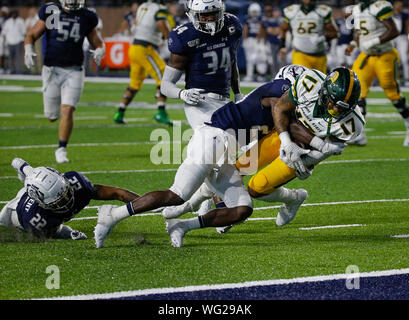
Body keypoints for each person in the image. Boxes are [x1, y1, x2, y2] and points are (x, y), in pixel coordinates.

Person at [94, 0, 249, 249]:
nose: (209, 20)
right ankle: (115, 215)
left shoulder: (231, 26)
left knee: (230, 163)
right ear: (193, 15)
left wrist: (238, 93)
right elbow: (166, 85)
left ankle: (200, 205)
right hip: (198, 103)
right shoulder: (184, 38)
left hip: (223, 102)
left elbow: (231, 63)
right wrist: (181, 94)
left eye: (212, 15)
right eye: (204, 16)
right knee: (188, 184)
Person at [162, 65, 364, 236]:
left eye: (342, 107)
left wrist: (310, 161)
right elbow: (281, 110)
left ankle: (293, 198)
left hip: (305, 149)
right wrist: (285, 141)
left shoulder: (352, 124)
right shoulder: (306, 84)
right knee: (233, 170)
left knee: (257, 188)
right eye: (332, 102)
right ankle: (190, 206)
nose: (335, 110)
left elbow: (329, 149)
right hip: (281, 133)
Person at [24, 0, 105, 164]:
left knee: (68, 110)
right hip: (52, 70)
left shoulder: (86, 16)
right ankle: (56, 122)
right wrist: (28, 49)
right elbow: (32, 35)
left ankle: (61, 149)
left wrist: (100, 49)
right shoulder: (51, 10)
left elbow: (96, 41)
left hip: (74, 70)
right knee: (52, 116)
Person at [0, 158, 139, 240]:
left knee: (25, 170)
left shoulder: (76, 183)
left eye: (66, 192)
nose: (67, 199)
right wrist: (67, 233)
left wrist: (146, 203)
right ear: (45, 205)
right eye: (60, 200)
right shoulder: (36, 218)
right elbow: (55, 232)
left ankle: (25, 174)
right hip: (14, 212)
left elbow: (117, 193)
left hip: (39, 192)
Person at [345, 0, 409, 147]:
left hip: (385, 55)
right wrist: (354, 44)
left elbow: (393, 31)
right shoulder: (358, 9)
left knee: (392, 94)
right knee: (357, 92)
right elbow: (359, 32)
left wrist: (374, 41)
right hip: (366, 56)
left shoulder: (379, 7)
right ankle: (359, 135)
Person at [113, 0, 174, 126]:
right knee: (164, 77)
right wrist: (171, 39)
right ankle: (160, 112)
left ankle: (120, 112)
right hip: (145, 48)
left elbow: (135, 23)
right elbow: (161, 22)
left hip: (134, 47)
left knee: (134, 84)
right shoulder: (159, 8)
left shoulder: (143, 6)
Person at [279, 0, 338, 73]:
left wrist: (324, 39)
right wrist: (282, 46)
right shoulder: (292, 12)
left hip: (319, 54)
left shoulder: (322, 12)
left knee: (320, 82)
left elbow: (334, 32)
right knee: (302, 80)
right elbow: (283, 29)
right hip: (300, 53)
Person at [259, 5, 284, 78]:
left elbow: (280, 31)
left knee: (282, 61)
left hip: (282, 42)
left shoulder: (283, 20)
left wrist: (276, 30)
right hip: (272, 42)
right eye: (275, 12)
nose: (276, 13)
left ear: (280, 12)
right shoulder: (270, 20)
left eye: (277, 12)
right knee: (273, 61)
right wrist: (277, 30)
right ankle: (274, 76)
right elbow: (269, 30)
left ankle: (283, 75)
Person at [242, 2, 263, 82]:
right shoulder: (247, 18)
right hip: (250, 39)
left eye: (255, 11)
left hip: (258, 39)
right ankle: (249, 75)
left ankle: (260, 75)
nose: (254, 13)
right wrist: (245, 39)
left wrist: (260, 39)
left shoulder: (261, 18)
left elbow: (262, 28)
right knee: (249, 59)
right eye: (253, 11)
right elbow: (245, 29)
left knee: (260, 58)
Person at [1, 9, 26, 74]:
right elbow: (4, 32)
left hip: (18, 41)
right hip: (10, 42)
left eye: (15, 13)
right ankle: (11, 70)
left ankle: (19, 70)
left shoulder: (21, 21)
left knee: (18, 57)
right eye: (13, 13)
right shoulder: (8, 22)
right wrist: (5, 41)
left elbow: (24, 32)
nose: (14, 15)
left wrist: (22, 40)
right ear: (11, 14)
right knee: (10, 58)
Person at [392, 0, 409, 85]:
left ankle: (407, 80)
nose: (399, 7)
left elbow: (407, 28)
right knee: (393, 60)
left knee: (405, 60)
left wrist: (408, 41)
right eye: (398, 5)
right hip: (391, 38)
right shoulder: (389, 15)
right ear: (394, 5)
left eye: (401, 5)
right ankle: (393, 80)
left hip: (402, 38)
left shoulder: (404, 15)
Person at [0, 6, 9, 74]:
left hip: (8, 37)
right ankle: (2, 67)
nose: (2, 13)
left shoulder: (8, 20)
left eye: (3, 12)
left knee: (7, 54)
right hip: (1, 37)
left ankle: (7, 67)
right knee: (1, 53)